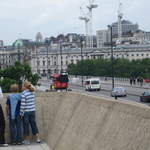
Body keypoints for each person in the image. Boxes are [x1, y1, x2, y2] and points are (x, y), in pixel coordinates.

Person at [20, 81, 41, 145]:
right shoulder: (32, 92)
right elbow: (33, 88)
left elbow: (23, 104)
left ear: (24, 86)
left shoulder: (24, 93)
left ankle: (27, 140)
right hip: (32, 111)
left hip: (26, 112)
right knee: (33, 124)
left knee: (26, 126)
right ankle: (38, 139)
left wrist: (21, 113)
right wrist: (30, 85)